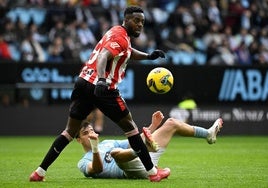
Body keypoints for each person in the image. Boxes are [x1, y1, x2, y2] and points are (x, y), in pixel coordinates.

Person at [29, 6, 168, 182]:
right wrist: (102, 80)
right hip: (102, 87)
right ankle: (153, 173)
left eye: (142, 21)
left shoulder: (116, 33)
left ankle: (39, 172)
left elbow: (127, 52)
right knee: (131, 128)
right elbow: (103, 55)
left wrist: (148, 56)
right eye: (136, 20)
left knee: (69, 132)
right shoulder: (120, 37)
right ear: (126, 20)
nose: (140, 24)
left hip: (83, 82)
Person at [76, 111, 223, 179]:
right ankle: (144, 149)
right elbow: (96, 169)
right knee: (115, 153)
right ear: (78, 140)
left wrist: (153, 126)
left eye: (91, 130)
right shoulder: (83, 162)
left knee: (171, 123)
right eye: (86, 133)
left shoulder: (107, 142)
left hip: (146, 159)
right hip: (132, 171)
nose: (91, 134)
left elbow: (133, 141)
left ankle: (208, 134)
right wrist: (95, 147)